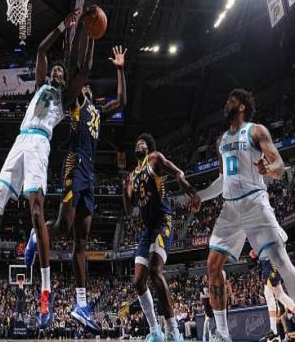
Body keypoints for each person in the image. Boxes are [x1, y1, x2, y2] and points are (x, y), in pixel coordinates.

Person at [0, 7, 93, 330]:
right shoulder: (41, 85)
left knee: (36, 213)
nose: (56, 71)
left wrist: (86, 33)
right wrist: (63, 25)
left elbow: (82, 71)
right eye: (55, 69)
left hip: (40, 143)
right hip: (20, 141)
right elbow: (42, 50)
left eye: (61, 71)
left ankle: (46, 292)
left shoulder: (65, 98)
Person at [24, 45, 127, 333]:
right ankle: (35, 234)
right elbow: (78, 74)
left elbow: (121, 102)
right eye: (84, 85)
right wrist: (86, 40)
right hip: (74, 162)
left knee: (80, 240)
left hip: (90, 172)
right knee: (64, 225)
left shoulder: (98, 111)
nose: (87, 87)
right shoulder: (77, 100)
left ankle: (81, 304)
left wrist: (120, 70)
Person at [192, 88, 295, 342]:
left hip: (254, 202)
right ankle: (223, 335)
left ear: (241, 106)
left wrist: (269, 168)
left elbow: (279, 165)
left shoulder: (256, 131)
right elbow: (222, 180)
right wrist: (201, 196)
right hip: (231, 209)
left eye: (231, 101)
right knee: (212, 265)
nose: (226, 103)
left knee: (281, 261)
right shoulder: (221, 141)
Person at [123, 133, 198, 342]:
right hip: (148, 229)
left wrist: (189, 190)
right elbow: (128, 210)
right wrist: (124, 189)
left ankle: (173, 331)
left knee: (156, 271)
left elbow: (177, 172)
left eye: (143, 143)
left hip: (163, 221)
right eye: (137, 142)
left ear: (148, 148)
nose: (139, 144)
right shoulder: (132, 175)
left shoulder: (155, 158)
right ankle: (155, 331)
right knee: (138, 281)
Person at [250, 249, 295, 342]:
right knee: (278, 295)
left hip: (271, 261)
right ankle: (273, 332)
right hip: (266, 262)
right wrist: (256, 251)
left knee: (274, 294)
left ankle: (274, 331)